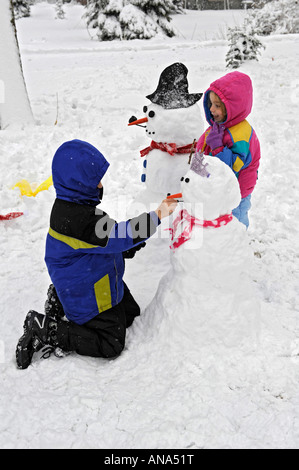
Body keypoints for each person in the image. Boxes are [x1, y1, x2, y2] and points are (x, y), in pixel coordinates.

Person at [16, 139, 177, 370]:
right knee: (111, 343)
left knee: (130, 314)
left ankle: (60, 297)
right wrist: (158, 215)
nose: (101, 184)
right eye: (95, 180)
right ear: (79, 183)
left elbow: (103, 242)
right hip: (85, 290)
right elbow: (118, 235)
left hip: (88, 275)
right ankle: (45, 328)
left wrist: (127, 246)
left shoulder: (73, 204)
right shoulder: (78, 220)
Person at [196, 71, 261, 228]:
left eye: (217, 106)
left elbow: (232, 168)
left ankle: (238, 247)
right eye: (210, 104)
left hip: (236, 193)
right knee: (218, 220)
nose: (211, 109)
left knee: (234, 223)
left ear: (234, 107)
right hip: (219, 188)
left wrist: (218, 148)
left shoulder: (241, 135)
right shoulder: (220, 126)